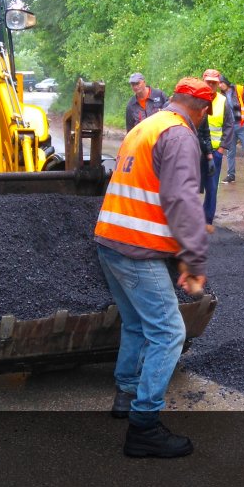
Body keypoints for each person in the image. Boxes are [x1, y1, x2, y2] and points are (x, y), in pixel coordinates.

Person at [93, 77, 211, 458]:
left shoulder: (146, 125)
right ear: (203, 111)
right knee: (168, 331)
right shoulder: (179, 135)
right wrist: (192, 258)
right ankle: (144, 426)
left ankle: (126, 395)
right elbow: (181, 199)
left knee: (136, 323)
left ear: (173, 99)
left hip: (109, 238)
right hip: (134, 248)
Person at [201, 69, 235, 234]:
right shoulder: (196, 99)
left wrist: (221, 149)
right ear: (203, 81)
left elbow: (229, 126)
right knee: (191, 186)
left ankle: (207, 219)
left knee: (212, 187)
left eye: (214, 82)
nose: (211, 85)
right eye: (208, 82)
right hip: (196, 151)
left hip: (215, 152)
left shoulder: (223, 101)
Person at [218, 74, 244, 183]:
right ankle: (230, 175)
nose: (220, 85)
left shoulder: (239, 90)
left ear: (226, 82)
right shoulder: (220, 96)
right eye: (219, 83)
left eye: (221, 82)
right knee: (230, 151)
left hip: (241, 124)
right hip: (229, 127)